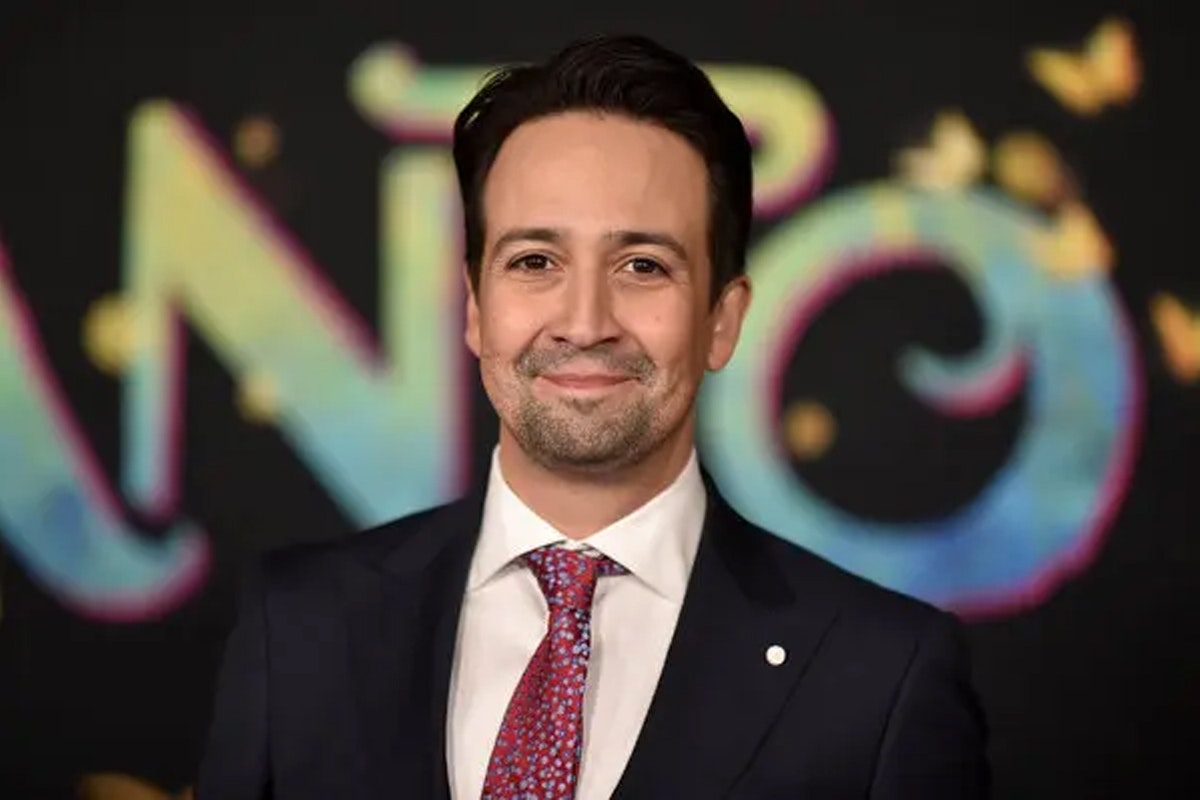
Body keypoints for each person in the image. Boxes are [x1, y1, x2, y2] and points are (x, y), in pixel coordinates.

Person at [196, 33, 990, 800]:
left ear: (723, 319)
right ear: (475, 308)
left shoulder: (883, 676)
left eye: (643, 266)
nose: (584, 321)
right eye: (534, 262)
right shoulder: (294, 628)